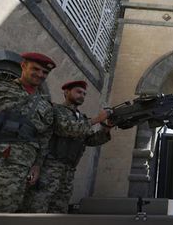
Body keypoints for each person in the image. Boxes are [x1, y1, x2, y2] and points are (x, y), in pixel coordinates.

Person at [22, 80, 112, 213]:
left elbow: (90, 140)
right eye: (78, 92)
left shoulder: (82, 118)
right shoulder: (56, 110)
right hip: (50, 167)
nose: (81, 95)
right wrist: (97, 119)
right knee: (38, 206)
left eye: (84, 94)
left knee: (60, 209)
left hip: (69, 170)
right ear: (66, 92)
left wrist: (107, 128)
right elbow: (67, 128)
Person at [0, 52, 56, 212]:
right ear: (23, 66)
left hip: (17, 167)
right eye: (36, 69)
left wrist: (37, 166)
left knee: (2, 212)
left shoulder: (46, 106)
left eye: (45, 72)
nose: (40, 74)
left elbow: (44, 138)